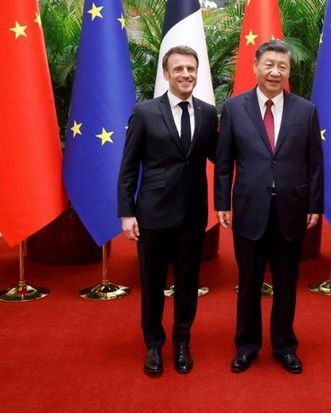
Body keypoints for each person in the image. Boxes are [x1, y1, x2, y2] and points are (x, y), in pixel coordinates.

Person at [214, 39, 323, 374]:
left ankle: (284, 346)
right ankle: (246, 346)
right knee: (248, 283)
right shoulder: (234, 108)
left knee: (287, 284)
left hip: (292, 209)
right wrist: (222, 203)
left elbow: (315, 164)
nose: (275, 72)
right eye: (269, 65)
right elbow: (224, 162)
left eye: (282, 66)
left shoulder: (306, 110)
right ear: (255, 66)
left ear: (288, 71)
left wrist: (314, 205)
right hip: (249, 209)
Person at [117, 46, 218, 376]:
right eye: (179, 69)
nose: (186, 74)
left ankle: (182, 342)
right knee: (153, 284)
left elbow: (219, 156)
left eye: (191, 68)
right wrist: (127, 213)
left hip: (192, 215)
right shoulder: (144, 112)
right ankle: (153, 344)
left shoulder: (207, 113)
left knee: (188, 284)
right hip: (154, 215)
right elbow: (128, 167)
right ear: (166, 73)